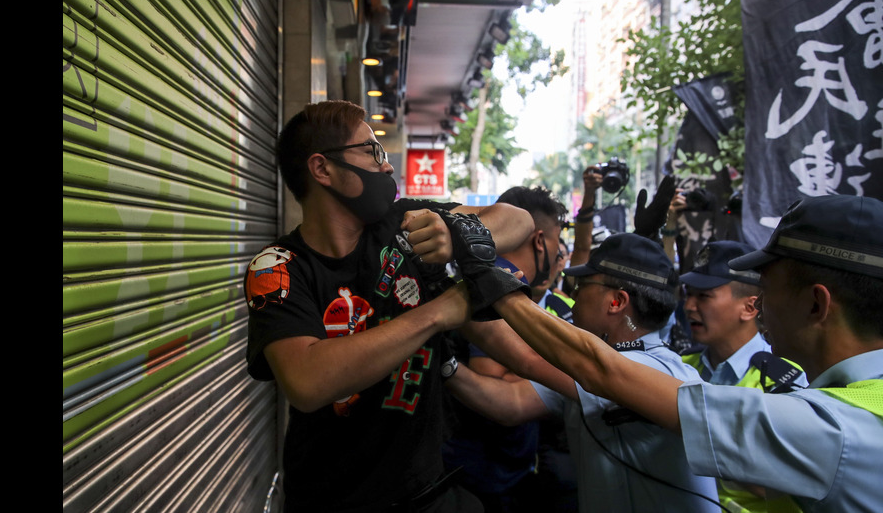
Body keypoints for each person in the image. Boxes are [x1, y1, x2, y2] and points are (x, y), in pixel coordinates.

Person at [480, 194, 883, 513]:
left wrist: (484, 278)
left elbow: (600, 370)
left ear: (816, 305)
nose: (761, 306)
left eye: (767, 291)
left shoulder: (833, 430)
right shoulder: (865, 406)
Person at [243, 100, 541, 512]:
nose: (386, 167)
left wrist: (456, 232)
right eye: (371, 151)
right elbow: (307, 381)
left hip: (426, 492)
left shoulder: (402, 224)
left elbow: (518, 220)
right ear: (322, 169)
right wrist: (436, 314)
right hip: (331, 501)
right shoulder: (277, 267)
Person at [444, 232, 721, 512]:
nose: (573, 293)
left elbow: (525, 357)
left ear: (616, 302)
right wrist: (447, 365)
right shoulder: (589, 373)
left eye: (583, 285)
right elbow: (511, 403)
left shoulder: (652, 369)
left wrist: (483, 287)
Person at [442, 185, 569, 512]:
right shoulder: (498, 282)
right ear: (539, 240)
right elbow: (491, 373)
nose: (558, 254)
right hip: (483, 478)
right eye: (556, 240)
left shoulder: (488, 273)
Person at [680, 240, 808, 513]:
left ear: (750, 307)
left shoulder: (783, 382)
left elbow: (797, 485)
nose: (689, 306)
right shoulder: (681, 367)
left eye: (704, 296)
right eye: (688, 293)